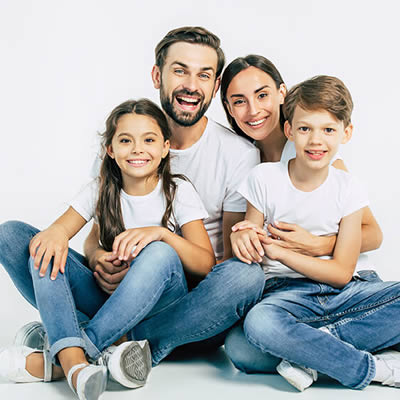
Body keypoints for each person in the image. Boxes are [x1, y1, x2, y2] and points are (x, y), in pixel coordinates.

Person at [1, 27, 265, 375]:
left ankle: (81, 348)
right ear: (158, 75)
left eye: (203, 74)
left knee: (246, 276)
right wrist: (98, 260)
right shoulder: (126, 141)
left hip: (182, 305)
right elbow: (98, 230)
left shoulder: (237, 155)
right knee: (13, 237)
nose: (191, 84)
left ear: (215, 86)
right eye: (179, 70)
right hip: (113, 291)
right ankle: (108, 347)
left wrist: (160, 241)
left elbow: (223, 262)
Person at [0, 98, 216, 399]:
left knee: (159, 251)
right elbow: (58, 232)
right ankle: (96, 346)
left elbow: (206, 264)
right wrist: (94, 254)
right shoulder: (101, 189)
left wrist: (161, 235)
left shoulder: (178, 191)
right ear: (111, 150)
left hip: (161, 305)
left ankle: (71, 357)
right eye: (126, 140)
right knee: (17, 237)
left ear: (166, 147)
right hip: (109, 300)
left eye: (149, 140)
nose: (138, 149)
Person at [230, 75, 400, 391]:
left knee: (253, 349)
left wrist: (282, 251)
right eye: (305, 128)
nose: (316, 140)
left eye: (329, 130)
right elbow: (250, 238)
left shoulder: (348, 188)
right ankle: (375, 366)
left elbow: (340, 273)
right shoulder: (264, 178)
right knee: (251, 334)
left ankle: (309, 352)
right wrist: (242, 238)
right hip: (284, 295)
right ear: (289, 130)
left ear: (346, 133)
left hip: (349, 292)